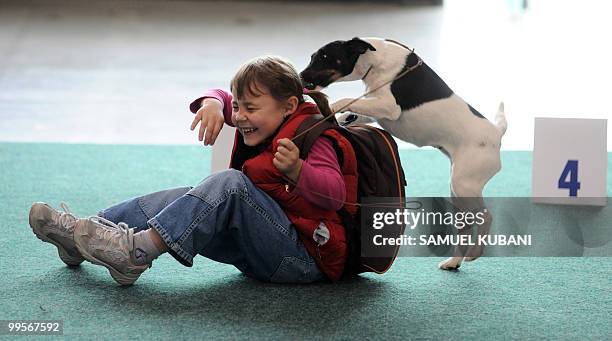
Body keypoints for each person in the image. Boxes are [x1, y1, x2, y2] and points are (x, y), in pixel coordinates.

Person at [28, 56, 358, 286]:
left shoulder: (313, 137)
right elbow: (222, 96)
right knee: (189, 197)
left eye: (250, 108)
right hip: (259, 246)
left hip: (302, 261)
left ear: (288, 106)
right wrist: (212, 104)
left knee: (230, 184)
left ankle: (137, 252)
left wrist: (300, 171)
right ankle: (84, 233)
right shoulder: (266, 116)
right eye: (239, 107)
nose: (240, 116)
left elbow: (334, 195)